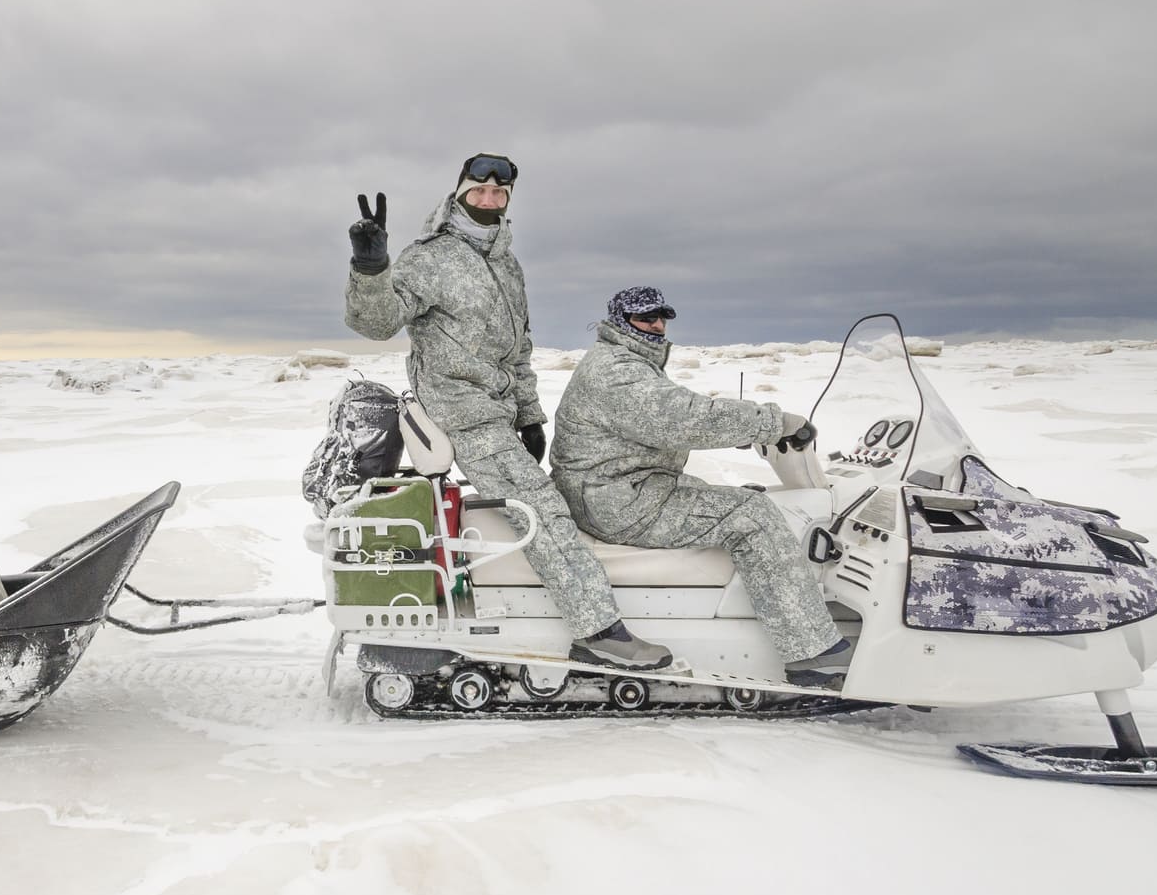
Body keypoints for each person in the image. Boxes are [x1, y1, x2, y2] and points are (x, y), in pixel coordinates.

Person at [343, 156, 674, 671]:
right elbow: (378, 322)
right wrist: (370, 268)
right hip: (459, 407)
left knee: (543, 497)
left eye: (501, 188)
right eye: (479, 185)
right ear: (460, 192)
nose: (491, 193)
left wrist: (528, 414)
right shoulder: (429, 257)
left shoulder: (505, 261)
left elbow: (518, 349)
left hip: (496, 411)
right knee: (538, 504)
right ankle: (598, 631)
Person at [548, 286, 852, 686]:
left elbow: (671, 412)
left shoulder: (627, 362)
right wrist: (775, 424)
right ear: (621, 321)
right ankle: (813, 654)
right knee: (753, 515)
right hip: (617, 498)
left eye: (662, 316)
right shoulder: (617, 372)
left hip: (616, 486)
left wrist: (740, 428)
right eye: (645, 317)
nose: (656, 325)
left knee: (745, 495)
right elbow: (682, 417)